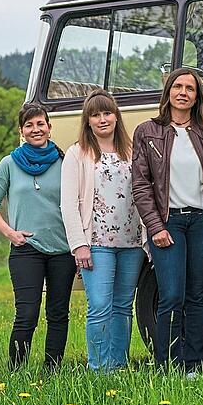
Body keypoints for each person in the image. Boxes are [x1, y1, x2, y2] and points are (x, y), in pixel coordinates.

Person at [131, 67, 203, 372]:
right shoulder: (147, 132)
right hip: (168, 223)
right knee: (172, 294)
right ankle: (168, 364)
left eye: (190, 88)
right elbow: (141, 185)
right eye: (178, 87)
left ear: (196, 97)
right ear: (168, 93)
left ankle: (194, 364)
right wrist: (155, 226)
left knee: (199, 295)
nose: (183, 93)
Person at [60, 90, 146, 372]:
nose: (102, 119)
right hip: (96, 242)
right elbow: (68, 204)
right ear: (87, 121)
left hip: (132, 242)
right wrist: (78, 244)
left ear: (116, 116)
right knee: (99, 307)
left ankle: (118, 366)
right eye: (95, 115)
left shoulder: (132, 151)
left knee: (123, 306)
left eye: (107, 112)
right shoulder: (77, 153)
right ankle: (99, 368)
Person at [0, 103, 72, 371]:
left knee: (58, 315)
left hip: (63, 250)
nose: (36, 129)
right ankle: (16, 371)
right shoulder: (9, 164)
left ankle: (52, 370)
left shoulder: (64, 161)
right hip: (26, 249)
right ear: (21, 131)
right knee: (26, 314)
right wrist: (10, 233)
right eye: (29, 125)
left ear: (49, 127)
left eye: (40, 124)